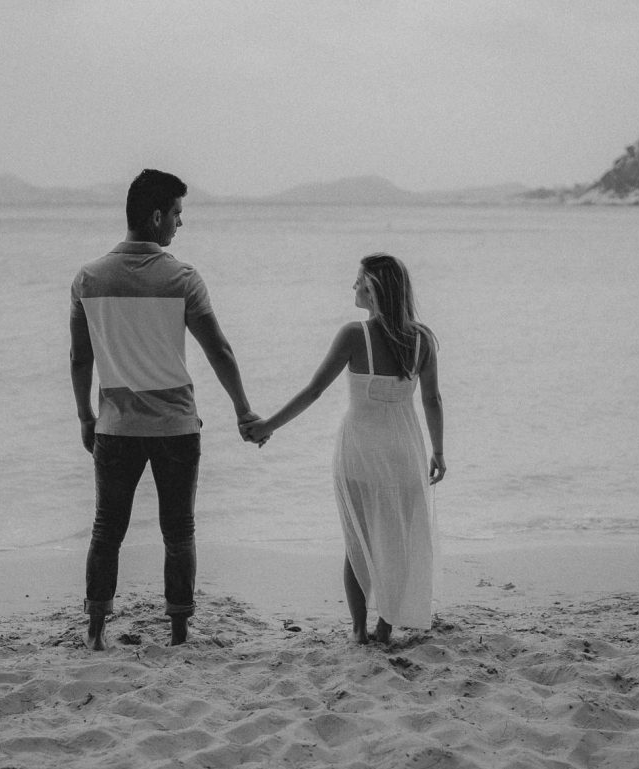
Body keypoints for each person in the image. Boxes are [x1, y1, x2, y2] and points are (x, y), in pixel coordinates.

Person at [69, 169, 259, 650]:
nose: (180, 223)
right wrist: (242, 410)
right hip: (176, 426)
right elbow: (220, 350)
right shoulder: (181, 277)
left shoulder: (89, 279)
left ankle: (95, 630)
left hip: (115, 426)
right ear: (156, 216)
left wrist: (85, 419)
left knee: (106, 528)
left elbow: (80, 358)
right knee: (179, 530)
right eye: (176, 213)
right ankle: (178, 630)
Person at [243, 254, 444, 644]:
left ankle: (358, 630)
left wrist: (268, 426)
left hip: (359, 453)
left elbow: (314, 391)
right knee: (398, 542)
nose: (352, 288)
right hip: (405, 452)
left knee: (357, 542)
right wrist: (439, 451)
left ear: (373, 291)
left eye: (358, 282)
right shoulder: (422, 339)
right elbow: (432, 400)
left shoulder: (354, 335)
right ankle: (384, 626)